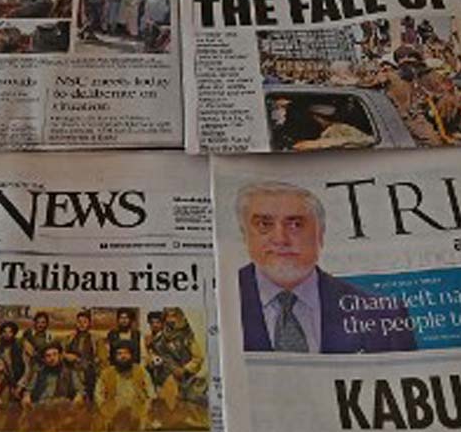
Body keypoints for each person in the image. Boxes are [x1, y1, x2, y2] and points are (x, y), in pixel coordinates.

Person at [236, 182, 417, 353]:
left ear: (320, 234)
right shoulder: (224, 300)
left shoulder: (383, 315)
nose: (280, 239)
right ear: (245, 234)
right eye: (264, 225)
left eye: (295, 224)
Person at [148, 307, 206, 405]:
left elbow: (198, 358)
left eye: (174, 316)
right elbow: (154, 357)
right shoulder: (159, 338)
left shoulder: (187, 336)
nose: (170, 319)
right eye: (168, 316)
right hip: (165, 380)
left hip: (186, 379)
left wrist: (184, 369)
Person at [94, 344, 154, 431]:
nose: (123, 356)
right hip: (113, 417)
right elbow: (99, 396)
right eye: (119, 353)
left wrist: (144, 410)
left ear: (131, 355)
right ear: (115, 356)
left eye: (126, 353)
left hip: (138, 416)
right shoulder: (106, 373)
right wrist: (107, 412)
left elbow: (151, 393)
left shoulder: (141, 371)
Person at [292, 103, 376, 151]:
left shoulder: (341, 128)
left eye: (312, 118)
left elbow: (368, 140)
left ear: (318, 118)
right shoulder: (326, 130)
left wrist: (318, 144)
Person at [0, 321, 28, 397]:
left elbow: (27, 368)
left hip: (18, 381)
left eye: (10, 332)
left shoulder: (20, 349)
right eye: (4, 332)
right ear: (1, 334)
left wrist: (20, 385)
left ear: (14, 334)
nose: (7, 334)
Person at [65, 309, 97, 402]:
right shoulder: (70, 338)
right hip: (72, 370)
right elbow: (62, 352)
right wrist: (67, 356)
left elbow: (101, 359)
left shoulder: (95, 339)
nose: (82, 324)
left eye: (85, 322)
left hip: (89, 372)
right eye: (79, 322)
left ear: (89, 324)